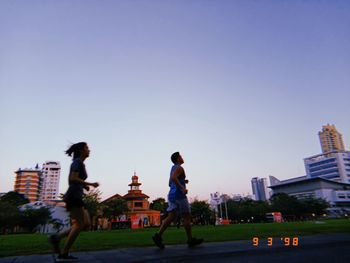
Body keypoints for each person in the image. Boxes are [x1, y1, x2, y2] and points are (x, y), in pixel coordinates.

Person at [49, 142, 99, 261]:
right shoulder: (77, 162)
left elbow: (75, 180)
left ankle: (57, 237)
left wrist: (84, 186)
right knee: (80, 224)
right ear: (81, 150)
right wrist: (90, 184)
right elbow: (72, 178)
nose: (89, 150)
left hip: (76, 195)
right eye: (87, 148)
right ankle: (64, 252)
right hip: (73, 196)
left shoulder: (80, 163)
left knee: (85, 224)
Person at [152, 152, 203, 249]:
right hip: (179, 195)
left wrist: (183, 181)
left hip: (171, 194)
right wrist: (182, 188)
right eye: (181, 156)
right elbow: (174, 178)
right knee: (187, 216)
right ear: (178, 158)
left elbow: (170, 183)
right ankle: (190, 240)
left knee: (172, 216)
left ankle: (158, 236)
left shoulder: (173, 168)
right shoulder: (180, 168)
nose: (183, 158)